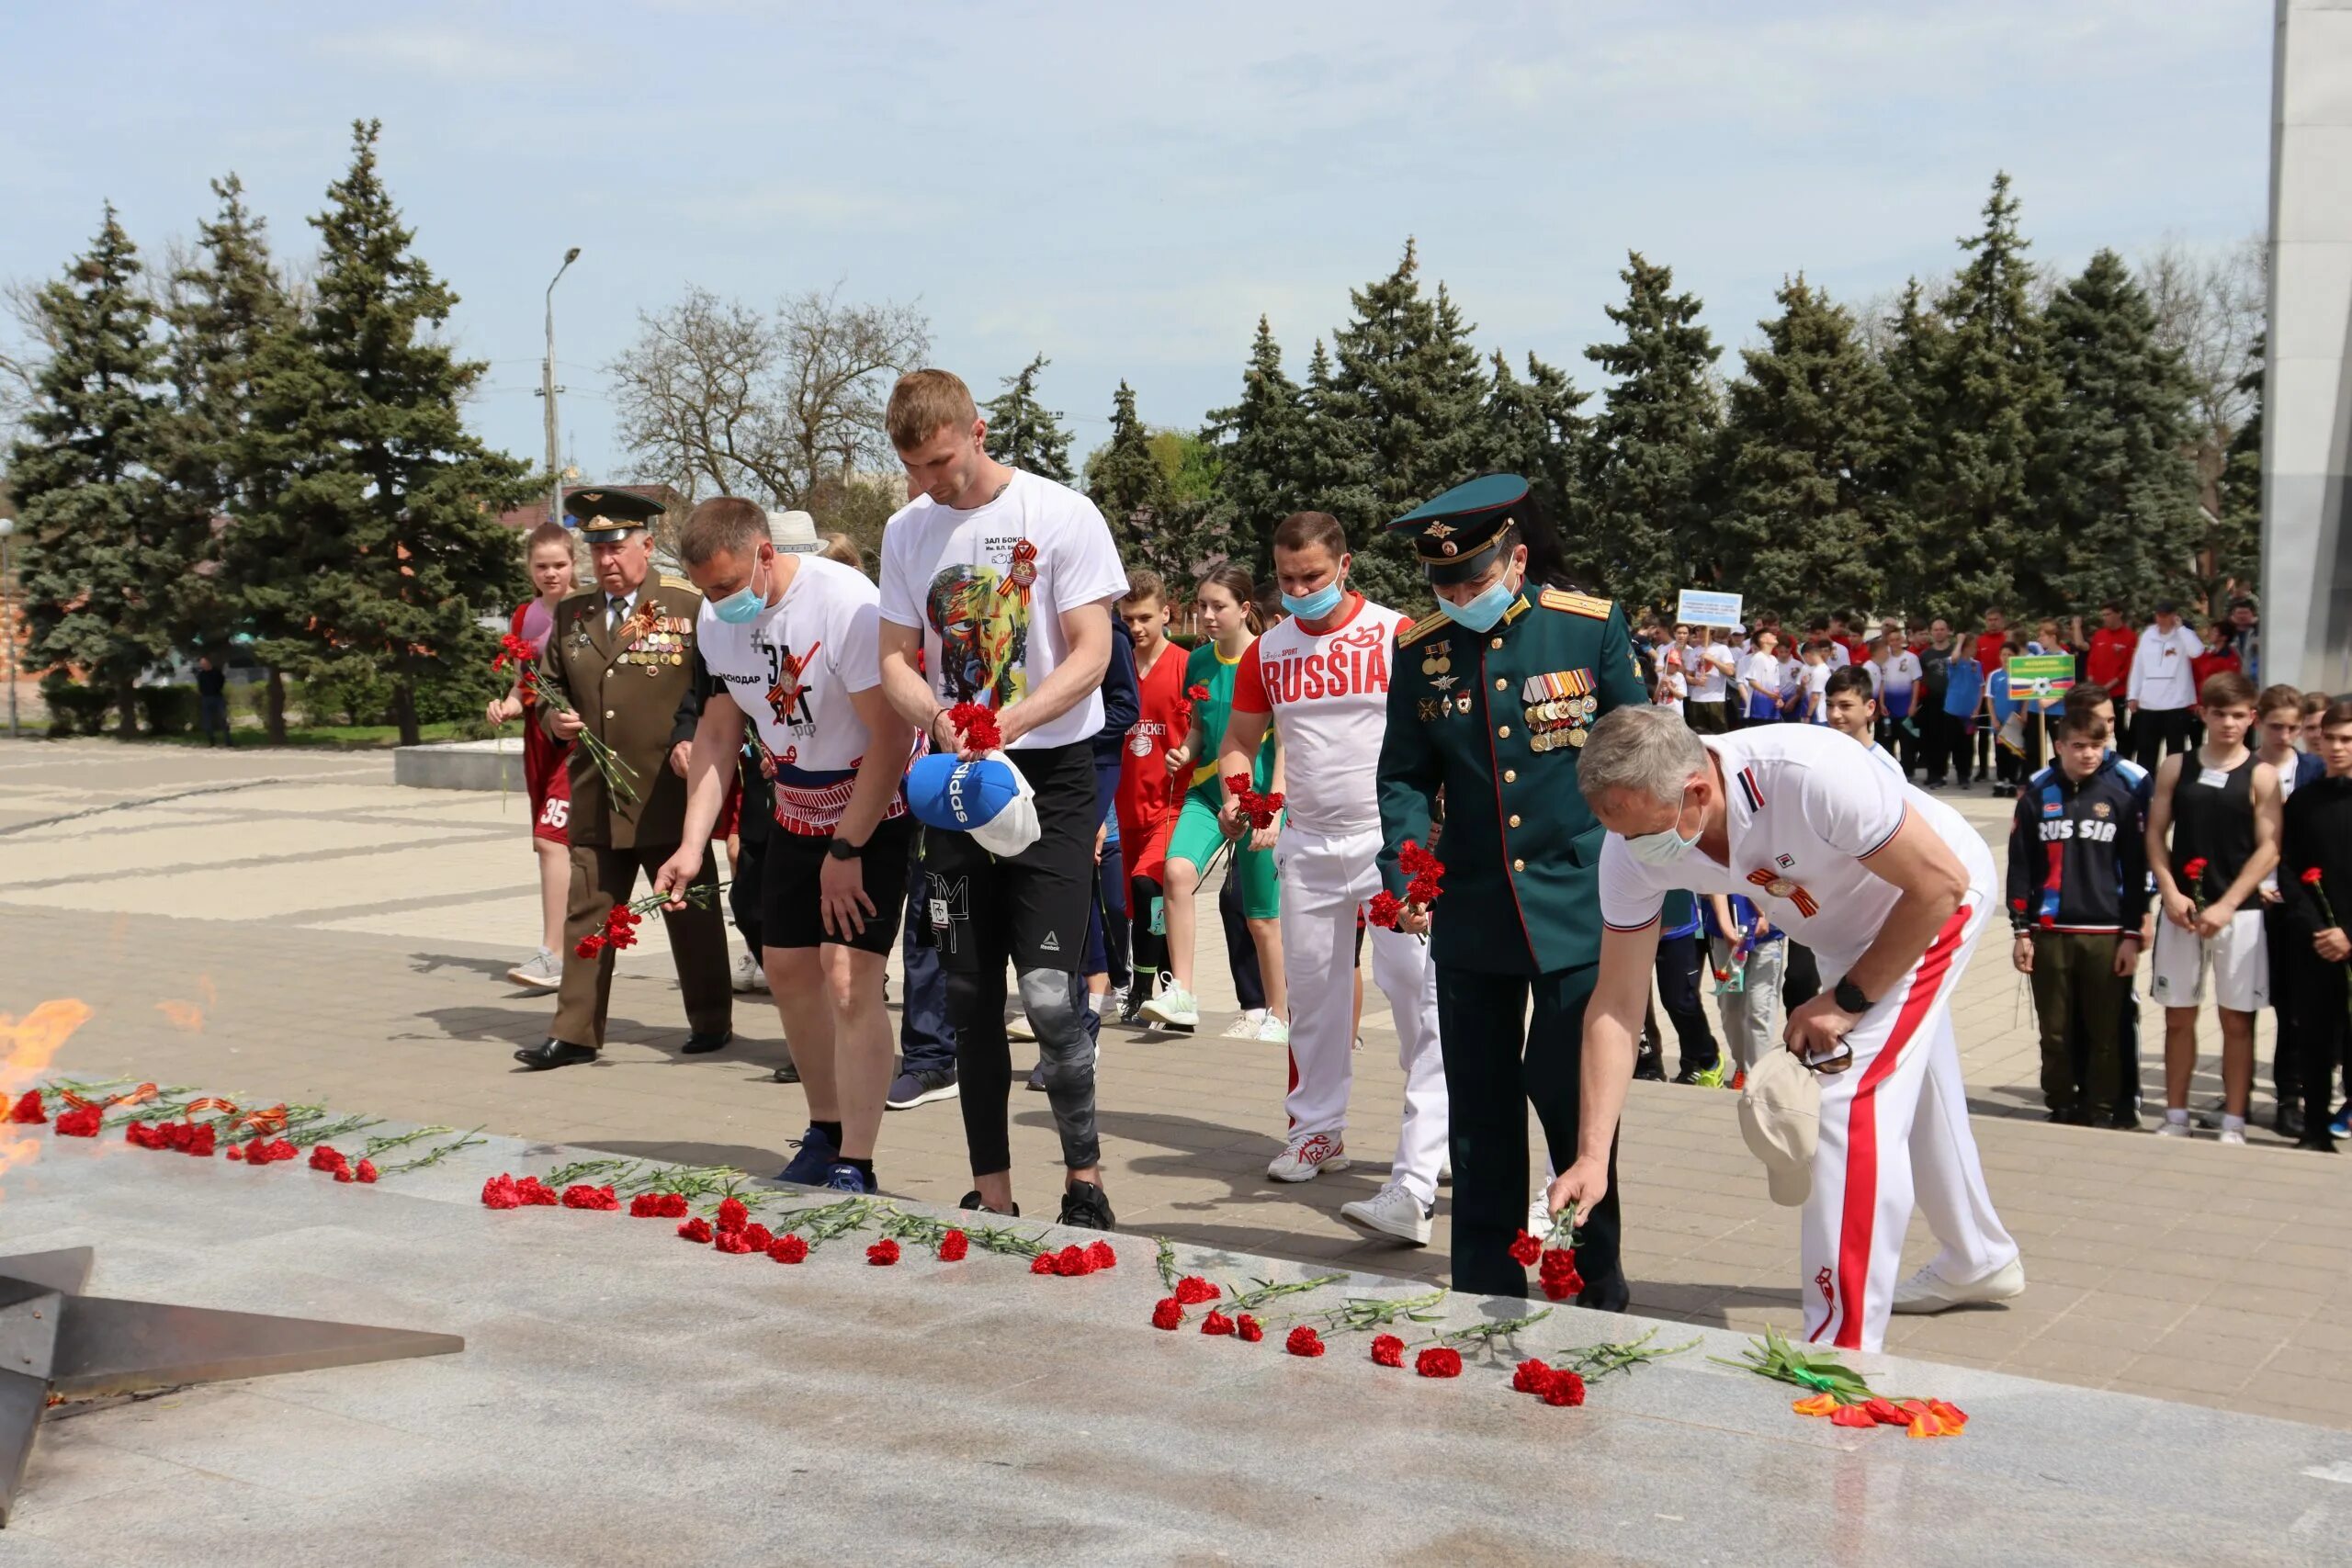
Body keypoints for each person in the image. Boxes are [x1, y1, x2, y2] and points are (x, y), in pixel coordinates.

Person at [1560, 707, 2022, 1348]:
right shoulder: (1632, 844)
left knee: (1845, 1099)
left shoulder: (1809, 773)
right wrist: (1591, 1154)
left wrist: (1849, 998)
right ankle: (1977, 1257)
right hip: (1842, 935)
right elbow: (1615, 1003)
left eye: (1645, 833)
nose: (1635, 851)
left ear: (1697, 791)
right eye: (1620, 832)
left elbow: (1941, 884)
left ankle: (1839, 1349)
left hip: (1931, 902)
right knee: (1919, 1093)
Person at [1375, 473, 1644, 1293]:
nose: (1458, 595)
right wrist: (1408, 864)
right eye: (1444, 585)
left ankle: (1594, 1278)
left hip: (1576, 906)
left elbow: (1640, 747)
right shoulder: (1421, 652)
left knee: (1572, 1103)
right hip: (1474, 914)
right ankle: (1485, 1286)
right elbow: (1405, 776)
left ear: (1517, 560)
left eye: (1473, 581)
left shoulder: (1585, 629)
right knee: (1482, 1119)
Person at [874, 369, 1125, 1229]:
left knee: (1053, 996)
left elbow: (1092, 653)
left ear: (977, 431)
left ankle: (1084, 1183)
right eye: (915, 468)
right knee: (967, 993)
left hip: (1051, 776)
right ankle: (992, 1196)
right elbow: (895, 661)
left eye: (942, 461)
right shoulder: (906, 532)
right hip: (956, 785)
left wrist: (1008, 720)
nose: (932, 482)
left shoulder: (1060, 513)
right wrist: (942, 719)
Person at [655, 498, 917, 1193]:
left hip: (873, 806)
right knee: (787, 968)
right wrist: (691, 843)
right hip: (795, 806)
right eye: (706, 588)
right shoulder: (717, 621)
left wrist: (847, 849)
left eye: (726, 584)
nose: (716, 602)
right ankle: (824, 1129)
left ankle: (857, 1161)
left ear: (765, 553)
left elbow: (891, 738)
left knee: (848, 977)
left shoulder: (845, 605)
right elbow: (716, 734)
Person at [1218, 509, 1447, 1246]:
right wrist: (1236, 789)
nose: (1298, 590)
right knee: (1314, 990)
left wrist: (1438, 822)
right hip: (1309, 844)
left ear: (1344, 567)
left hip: (1390, 842)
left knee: (1413, 990)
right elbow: (1241, 739)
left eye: (1312, 576)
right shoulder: (1268, 652)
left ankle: (1438, 1140)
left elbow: (1438, 730)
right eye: (1286, 579)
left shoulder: (1396, 632)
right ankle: (1317, 1130)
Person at [519, 489, 733, 1069]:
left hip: (668, 791)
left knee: (689, 913)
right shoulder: (573, 613)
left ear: (647, 544)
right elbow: (547, 686)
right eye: (596, 550)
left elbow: (715, 687)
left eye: (616, 548)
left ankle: (711, 1019)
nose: (606, 561)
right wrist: (553, 718)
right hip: (595, 792)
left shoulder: (688, 606)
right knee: (587, 913)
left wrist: (696, 739)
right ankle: (576, 1032)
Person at [1142, 566, 1286, 1041]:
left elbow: (1282, 740)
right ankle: (1181, 992)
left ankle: (1279, 1015)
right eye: (1201, 605)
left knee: (1261, 916)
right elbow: (1202, 728)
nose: (1205, 615)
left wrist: (1276, 804)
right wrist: (1185, 749)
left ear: (1245, 609)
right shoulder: (1199, 660)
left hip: (1259, 799)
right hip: (1209, 794)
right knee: (1177, 871)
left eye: (1217, 606)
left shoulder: (1270, 658)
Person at [2143, 671, 2282, 1145]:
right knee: (2178, 1016)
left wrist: (2227, 903)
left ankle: (2235, 1122)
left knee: (2237, 1020)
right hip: (2181, 912)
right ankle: (2176, 1115)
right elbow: (2155, 835)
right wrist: (2169, 889)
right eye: (2219, 713)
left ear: (2252, 719)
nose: (2228, 723)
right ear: (2203, 713)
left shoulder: (2261, 775)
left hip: (2238, 916)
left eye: (2238, 715)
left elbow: (2269, 849)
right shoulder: (2176, 766)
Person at [2008, 709, 2149, 1126]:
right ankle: (2061, 1104)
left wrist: (2132, 934)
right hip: (2049, 933)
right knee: (2054, 1033)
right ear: (2060, 746)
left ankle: (2101, 1108)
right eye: (2079, 746)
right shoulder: (2036, 798)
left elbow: (2137, 873)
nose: (2088, 754)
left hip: (2106, 934)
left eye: (2097, 746)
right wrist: (2021, 931)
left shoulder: (2120, 801)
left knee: (2105, 1033)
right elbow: (2020, 869)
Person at [488, 521, 581, 992]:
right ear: (529, 568)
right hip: (538, 737)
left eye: (559, 565)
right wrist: (506, 704)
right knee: (553, 844)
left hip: (581, 741)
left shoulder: (589, 610)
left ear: (574, 564)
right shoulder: (525, 616)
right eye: (542, 566)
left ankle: (554, 954)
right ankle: (586, 947)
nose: (551, 574)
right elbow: (522, 680)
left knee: (552, 839)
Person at [1113, 570, 1188, 1025]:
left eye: (1144, 617)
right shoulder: (1113, 666)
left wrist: (1191, 753)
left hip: (1170, 804)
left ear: (1165, 613)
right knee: (1136, 905)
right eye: (1127, 619)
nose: (1136, 628)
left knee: (1150, 887)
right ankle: (1166, 987)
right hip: (1123, 807)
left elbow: (1210, 730)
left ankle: (1143, 989)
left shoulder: (1186, 665)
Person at [2280, 697, 2352, 1152]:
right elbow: (2288, 868)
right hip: (2316, 940)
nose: (2337, 747)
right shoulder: (2304, 801)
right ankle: (2315, 1129)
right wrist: (2318, 929)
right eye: (2330, 739)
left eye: (2347, 740)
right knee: (2315, 1035)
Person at [2255, 683, 2326, 1137]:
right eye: (2276, 726)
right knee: (2241, 1007)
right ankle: (2237, 1093)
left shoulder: (2314, 769)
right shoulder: (2241, 767)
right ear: (2258, 722)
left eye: (2293, 728)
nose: (2285, 735)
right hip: (2246, 900)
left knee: (2295, 1007)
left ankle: (2289, 1096)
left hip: (2296, 903)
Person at [1704, 891, 1785, 1076]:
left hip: (1769, 935)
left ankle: (1755, 1076)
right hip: (1724, 935)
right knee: (1730, 1007)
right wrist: (1726, 927)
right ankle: (1742, 1067)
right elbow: (1716, 878)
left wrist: (1765, 913)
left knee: (1759, 1008)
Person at [2127, 600, 2205, 772]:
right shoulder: (2147, 635)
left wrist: (2182, 629)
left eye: (2166, 615)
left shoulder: (2184, 635)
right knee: (2146, 749)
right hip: (2149, 702)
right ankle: (2146, 785)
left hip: (2176, 703)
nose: (2161, 619)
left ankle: (2173, 784)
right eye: (2159, 615)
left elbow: (2197, 651)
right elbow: (2138, 665)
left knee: (2175, 750)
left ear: (2173, 615)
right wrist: (2133, 695)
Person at [1822, 665, 1901, 775]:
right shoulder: (1821, 758)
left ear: (1870, 708)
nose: (1835, 714)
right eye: (1829, 705)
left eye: (1845, 706)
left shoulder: (1885, 768)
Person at [1917, 618, 1961, 788]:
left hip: (1953, 700)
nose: (1939, 632)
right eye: (1935, 629)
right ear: (1931, 632)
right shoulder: (1925, 655)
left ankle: (1953, 772)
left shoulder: (1954, 651)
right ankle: (1934, 773)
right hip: (1932, 701)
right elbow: (1921, 679)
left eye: (1942, 629)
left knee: (1949, 739)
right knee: (1932, 738)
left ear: (1948, 631)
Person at [1871, 632, 1923, 775]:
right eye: (1891, 640)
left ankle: (1907, 773)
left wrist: (1913, 704)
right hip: (1888, 709)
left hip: (1905, 708)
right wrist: (1881, 704)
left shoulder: (1911, 658)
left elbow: (1916, 682)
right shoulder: (1884, 659)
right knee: (1887, 742)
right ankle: (1890, 773)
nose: (1894, 642)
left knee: (1907, 743)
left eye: (1897, 639)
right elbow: (1881, 682)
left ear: (1902, 640)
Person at [1685, 626, 1735, 733]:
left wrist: (1712, 659)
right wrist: (1695, 681)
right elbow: (1688, 676)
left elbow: (1730, 671)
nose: (1700, 632)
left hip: (1715, 698)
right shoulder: (1694, 651)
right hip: (1697, 698)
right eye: (1697, 630)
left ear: (1711, 631)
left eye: (1703, 629)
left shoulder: (1722, 649)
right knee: (1699, 733)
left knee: (1719, 733)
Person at [1737, 629, 1783, 725]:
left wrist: (1778, 699)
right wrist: (1768, 694)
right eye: (1770, 634)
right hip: (1759, 710)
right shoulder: (1758, 658)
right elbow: (1752, 681)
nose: (1774, 636)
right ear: (1763, 640)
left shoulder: (1774, 659)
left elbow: (1775, 685)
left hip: (1772, 709)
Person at [195, 655, 232, 747]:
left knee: (223, 718)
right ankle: (211, 741)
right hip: (206, 698)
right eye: (201, 664)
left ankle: (228, 740)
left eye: (204, 663)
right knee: (207, 721)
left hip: (217, 697)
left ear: (208, 663)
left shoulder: (216, 673)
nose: (203, 665)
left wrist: (217, 689)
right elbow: (200, 686)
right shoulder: (201, 675)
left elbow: (222, 681)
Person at [2225, 596, 2260, 684]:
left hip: (2256, 681)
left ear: (2252, 614)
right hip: (2233, 680)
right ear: (2233, 615)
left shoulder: (2259, 631)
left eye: (2245, 613)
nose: (2242, 616)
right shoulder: (2227, 634)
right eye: (2239, 613)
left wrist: (2258, 622)